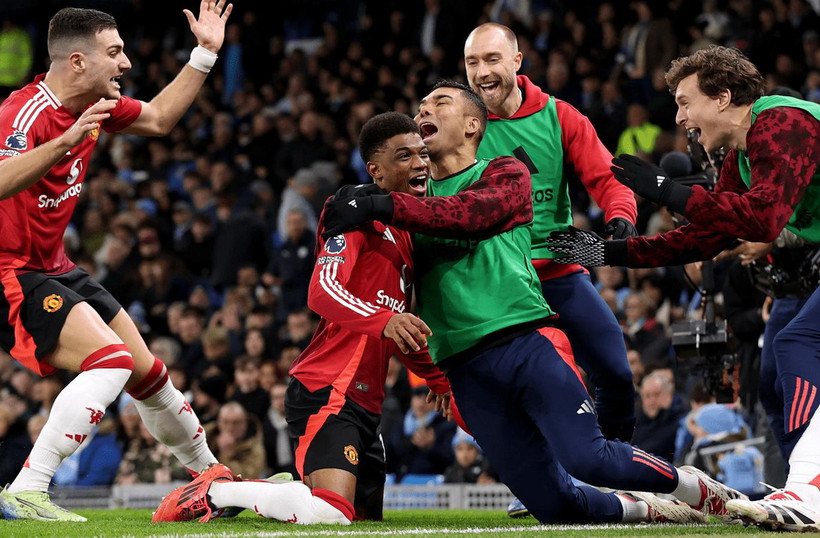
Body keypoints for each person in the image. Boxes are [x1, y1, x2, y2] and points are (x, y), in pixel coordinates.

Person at [318, 81, 742, 524]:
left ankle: (696, 488)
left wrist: (379, 205)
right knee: (553, 506)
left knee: (589, 458)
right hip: (463, 369)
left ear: (472, 125)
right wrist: (354, 201)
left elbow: (469, 216)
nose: (424, 110)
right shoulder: (406, 203)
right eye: (421, 105)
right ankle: (644, 509)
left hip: (523, 342)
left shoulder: (505, 173)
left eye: (440, 103)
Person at [546, 45, 820, 531]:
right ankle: (800, 488)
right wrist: (607, 253)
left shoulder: (781, 122)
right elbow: (705, 237)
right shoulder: (742, 156)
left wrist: (669, 191)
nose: (679, 117)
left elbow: (764, 219)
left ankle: (807, 490)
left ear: (722, 97)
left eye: (685, 102)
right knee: (782, 362)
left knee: (797, 343)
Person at [152, 111, 452, 525]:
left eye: (422, 154)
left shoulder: (405, 236)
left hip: (366, 400)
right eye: (405, 156)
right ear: (376, 171)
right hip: (326, 388)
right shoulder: (354, 219)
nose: (420, 163)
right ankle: (215, 489)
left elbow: (400, 325)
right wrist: (384, 320)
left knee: (362, 524)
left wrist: (437, 380)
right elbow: (322, 291)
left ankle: (280, 490)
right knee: (331, 514)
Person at [0, 3, 232, 521]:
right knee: (111, 360)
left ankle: (211, 477)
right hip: (10, 270)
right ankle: (28, 489)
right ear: (78, 61)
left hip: (55, 266)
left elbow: (159, 118)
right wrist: (62, 143)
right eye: (115, 52)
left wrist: (204, 53)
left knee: (148, 374)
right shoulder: (23, 113)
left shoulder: (98, 104)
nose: (125, 63)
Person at [464, 23, 639, 448]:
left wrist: (621, 216)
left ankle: (615, 467)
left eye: (492, 59)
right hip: (495, 282)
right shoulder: (460, 124)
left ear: (517, 61)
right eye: (472, 62)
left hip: (558, 270)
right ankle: (549, 475)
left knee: (616, 372)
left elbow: (608, 178)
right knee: (528, 390)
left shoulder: (559, 116)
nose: (482, 72)